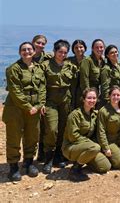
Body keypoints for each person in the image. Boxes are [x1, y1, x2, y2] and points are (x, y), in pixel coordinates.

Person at [3, 42, 45, 181]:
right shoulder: (13, 69)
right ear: (20, 52)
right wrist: (29, 107)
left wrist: (39, 105)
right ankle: (14, 166)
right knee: (14, 137)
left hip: (34, 109)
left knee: (32, 136)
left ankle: (28, 163)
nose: (27, 51)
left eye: (29, 49)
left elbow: (42, 89)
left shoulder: (39, 68)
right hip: (15, 109)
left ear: (34, 51)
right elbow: (16, 92)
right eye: (23, 49)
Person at [41, 39, 78, 174]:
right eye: (60, 51)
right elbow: (41, 86)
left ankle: (58, 155)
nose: (62, 54)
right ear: (55, 51)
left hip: (65, 100)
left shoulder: (70, 66)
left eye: (64, 52)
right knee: (51, 129)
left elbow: (75, 83)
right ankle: (48, 159)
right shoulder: (45, 65)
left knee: (63, 129)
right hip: (50, 100)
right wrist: (41, 102)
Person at [62, 88, 111, 181]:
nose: (92, 100)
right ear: (83, 99)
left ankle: (85, 159)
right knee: (95, 148)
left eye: (94, 98)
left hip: (87, 147)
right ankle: (75, 170)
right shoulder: (75, 115)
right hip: (71, 147)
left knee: (105, 166)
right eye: (89, 98)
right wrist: (90, 144)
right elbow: (73, 136)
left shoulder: (95, 114)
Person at [31, 34, 52, 162]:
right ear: (33, 42)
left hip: (46, 95)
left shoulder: (48, 58)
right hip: (32, 96)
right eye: (38, 42)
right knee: (34, 128)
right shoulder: (28, 57)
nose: (40, 45)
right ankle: (29, 157)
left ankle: (42, 154)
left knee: (45, 127)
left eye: (43, 43)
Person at [80, 39, 105, 106]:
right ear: (92, 49)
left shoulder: (103, 61)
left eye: (101, 47)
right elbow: (84, 79)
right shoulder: (87, 61)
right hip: (89, 94)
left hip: (98, 93)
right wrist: (88, 96)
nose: (99, 49)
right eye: (96, 47)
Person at [69, 39, 87, 109]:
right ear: (73, 49)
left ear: (85, 48)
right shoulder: (68, 61)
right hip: (71, 93)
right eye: (76, 47)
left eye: (81, 47)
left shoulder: (89, 61)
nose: (79, 49)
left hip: (84, 93)